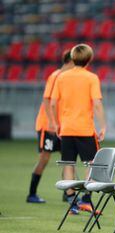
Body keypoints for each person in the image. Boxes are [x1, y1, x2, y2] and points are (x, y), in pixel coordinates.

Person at [51, 44, 107, 214]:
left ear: (72, 58)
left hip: (67, 128)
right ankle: (86, 199)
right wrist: (103, 125)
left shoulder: (61, 77)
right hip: (85, 129)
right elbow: (97, 104)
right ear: (89, 59)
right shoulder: (91, 78)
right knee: (91, 163)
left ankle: (71, 203)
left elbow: (53, 103)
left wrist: (56, 123)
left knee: (68, 163)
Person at [26, 50, 73, 203]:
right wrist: (52, 122)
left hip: (61, 126)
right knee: (44, 158)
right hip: (48, 125)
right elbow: (46, 100)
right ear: (70, 60)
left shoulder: (68, 78)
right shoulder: (56, 76)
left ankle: (68, 193)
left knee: (67, 159)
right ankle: (31, 194)